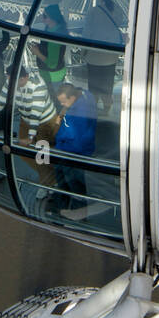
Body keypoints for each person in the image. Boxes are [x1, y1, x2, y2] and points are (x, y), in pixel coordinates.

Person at [0, 63, 61, 191]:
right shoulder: (11, 81)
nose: (9, 84)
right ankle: (50, 174)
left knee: (41, 156)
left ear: (24, 78)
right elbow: (0, 101)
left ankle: (48, 184)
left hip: (45, 123)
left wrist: (30, 137)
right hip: (26, 121)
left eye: (12, 81)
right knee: (24, 153)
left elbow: (36, 114)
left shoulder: (38, 86)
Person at [50, 81, 97, 217]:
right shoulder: (86, 95)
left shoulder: (77, 116)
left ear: (72, 98)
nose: (62, 106)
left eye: (63, 102)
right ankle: (65, 205)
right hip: (80, 148)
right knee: (68, 179)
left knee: (73, 182)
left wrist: (58, 125)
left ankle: (77, 212)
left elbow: (70, 136)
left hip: (72, 152)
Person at [81, 0, 124, 111]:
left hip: (95, 56)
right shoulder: (118, 11)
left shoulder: (93, 11)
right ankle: (106, 108)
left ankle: (93, 108)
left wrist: (83, 52)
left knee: (94, 85)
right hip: (111, 55)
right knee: (107, 84)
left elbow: (87, 34)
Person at [28, 4, 69, 98]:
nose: (42, 18)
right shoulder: (53, 29)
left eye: (45, 16)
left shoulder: (54, 37)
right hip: (54, 74)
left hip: (52, 77)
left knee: (54, 101)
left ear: (53, 18)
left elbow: (52, 64)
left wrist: (37, 52)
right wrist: (40, 47)